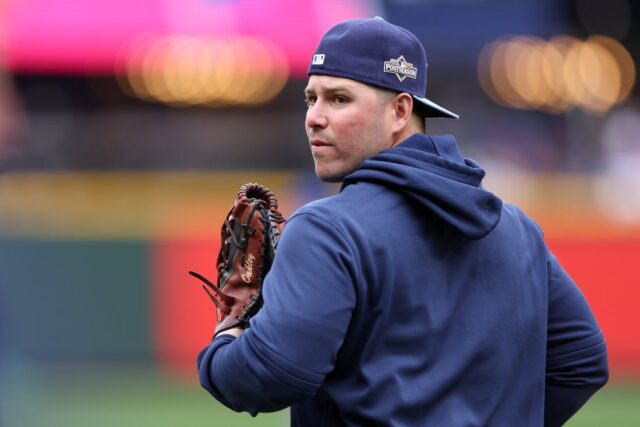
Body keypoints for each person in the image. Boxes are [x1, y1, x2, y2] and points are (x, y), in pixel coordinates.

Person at [197, 17, 608, 426]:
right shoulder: (516, 229)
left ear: (399, 111)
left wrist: (227, 336)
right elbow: (582, 363)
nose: (314, 117)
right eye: (311, 99)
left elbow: (270, 375)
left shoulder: (327, 230)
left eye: (338, 99)